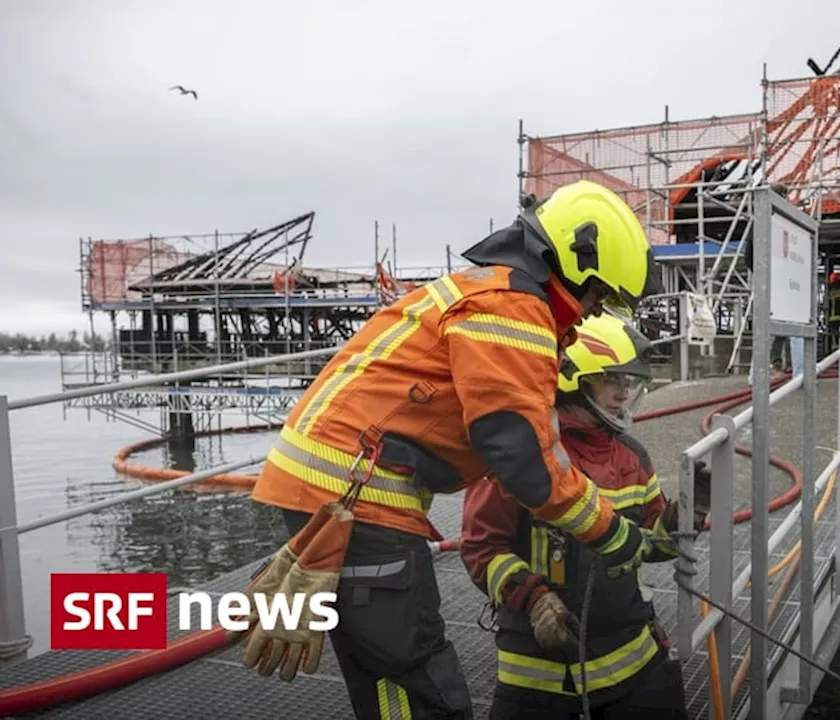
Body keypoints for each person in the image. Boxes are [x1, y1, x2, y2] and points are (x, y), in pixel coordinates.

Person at [242, 180, 661, 720]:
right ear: (578, 265)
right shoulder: (514, 308)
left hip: (339, 488)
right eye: (596, 296)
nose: (588, 314)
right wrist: (609, 531)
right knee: (412, 673)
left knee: (387, 668)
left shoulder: (488, 289)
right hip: (358, 498)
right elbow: (524, 457)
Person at [460, 312, 712, 720]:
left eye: (626, 381)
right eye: (611, 378)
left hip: (632, 657)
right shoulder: (523, 453)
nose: (623, 390)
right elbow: (481, 547)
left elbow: (652, 546)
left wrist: (689, 513)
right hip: (539, 674)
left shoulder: (631, 455)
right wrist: (536, 599)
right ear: (573, 378)